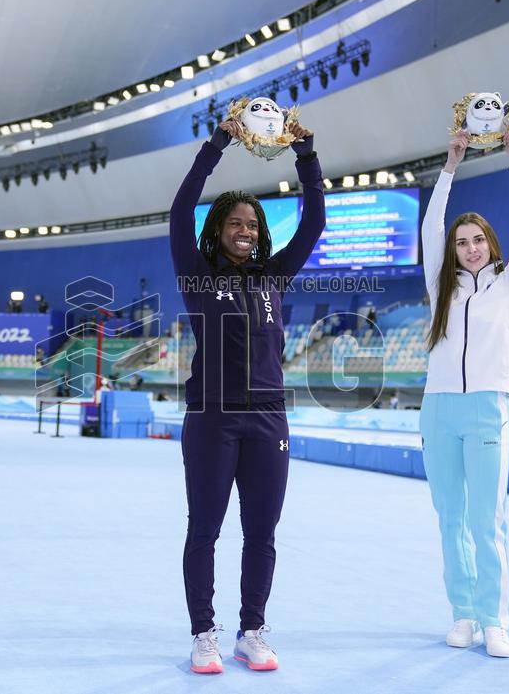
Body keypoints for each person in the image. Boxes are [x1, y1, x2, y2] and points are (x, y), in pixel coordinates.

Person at [170, 116, 324, 673]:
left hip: (267, 421)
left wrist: (305, 154)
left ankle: (252, 630)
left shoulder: (273, 277)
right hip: (211, 419)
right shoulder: (195, 273)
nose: (246, 230)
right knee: (204, 530)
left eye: (253, 224)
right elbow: (180, 209)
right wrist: (218, 145)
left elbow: (314, 224)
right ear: (218, 230)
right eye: (235, 222)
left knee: (262, 531)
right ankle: (203, 633)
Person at [419, 128, 509, 659]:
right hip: (439, 410)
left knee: (486, 521)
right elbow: (430, 229)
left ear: (491, 243)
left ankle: (495, 620)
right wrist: (449, 166)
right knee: (450, 519)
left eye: (478, 240)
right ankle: (463, 613)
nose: (469, 249)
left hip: (488, 409)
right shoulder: (440, 285)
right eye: (461, 241)